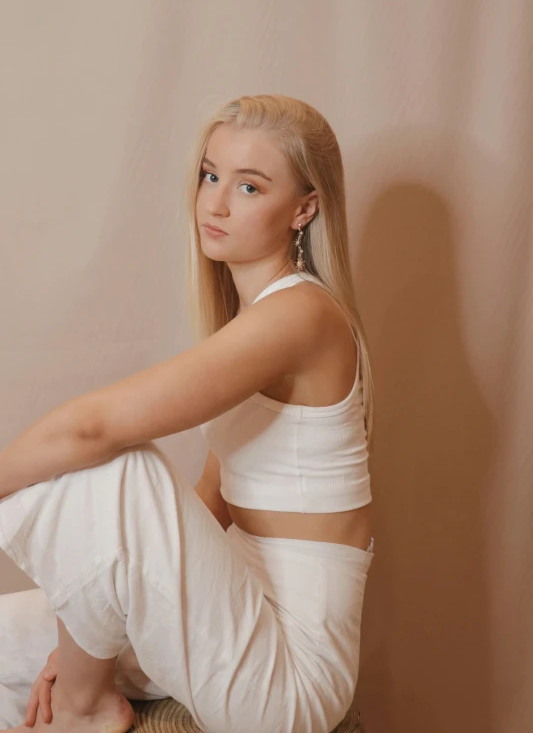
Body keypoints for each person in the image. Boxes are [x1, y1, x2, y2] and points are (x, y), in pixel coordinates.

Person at [0, 94, 376, 733]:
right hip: (225, 612)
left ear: (304, 209)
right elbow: (213, 492)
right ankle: (79, 698)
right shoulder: (256, 320)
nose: (216, 202)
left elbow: (94, 427)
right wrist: (85, 632)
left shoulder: (303, 316)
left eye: (249, 186)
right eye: (210, 175)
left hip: (291, 676)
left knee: (114, 468)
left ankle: (87, 711)